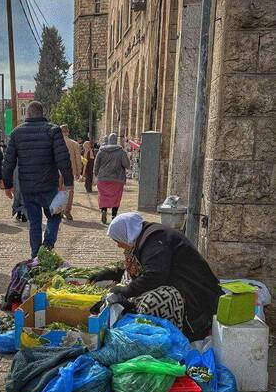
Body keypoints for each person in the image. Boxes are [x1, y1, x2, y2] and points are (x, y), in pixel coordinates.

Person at [90, 212, 223, 341]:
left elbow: (154, 275)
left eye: (117, 240)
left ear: (126, 233)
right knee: (127, 279)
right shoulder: (144, 237)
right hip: (174, 281)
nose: (118, 245)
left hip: (193, 293)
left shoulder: (155, 240)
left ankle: (168, 336)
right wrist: (111, 273)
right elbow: (144, 266)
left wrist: (125, 291)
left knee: (151, 303)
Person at [2, 100, 73, 258]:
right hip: (48, 185)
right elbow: (63, 158)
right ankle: (47, 245)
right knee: (54, 216)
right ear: (43, 113)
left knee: (34, 222)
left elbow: (8, 162)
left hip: (28, 187)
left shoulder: (16, 133)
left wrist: (7, 184)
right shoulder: (53, 131)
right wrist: (68, 182)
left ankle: (35, 255)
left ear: (27, 113)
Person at [93, 132, 130, 225]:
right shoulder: (121, 151)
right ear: (116, 140)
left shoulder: (101, 151)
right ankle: (114, 215)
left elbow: (96, 165)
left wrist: (96, 175)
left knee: (103, 196)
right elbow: (126, 165)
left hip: (103, 178)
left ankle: (103, 211)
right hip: (117, 179)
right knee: (116, 197)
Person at [60, 124, 82, 221]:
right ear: (68, 132)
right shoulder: (74, 144)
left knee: (59, 190)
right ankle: (67, 210)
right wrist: (78, 171)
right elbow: (78, 159)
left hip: (57, 170)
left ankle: (59, 209)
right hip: (69, 170)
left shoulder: (55, 143)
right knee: (69, 191)